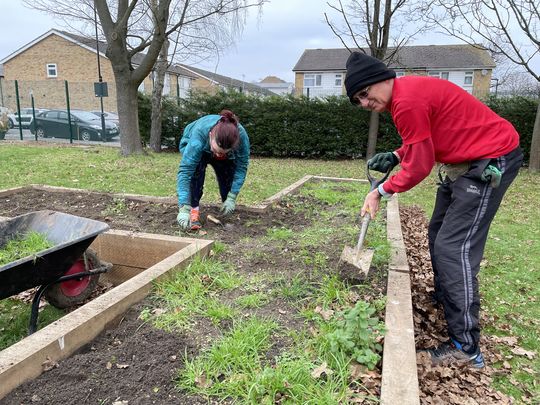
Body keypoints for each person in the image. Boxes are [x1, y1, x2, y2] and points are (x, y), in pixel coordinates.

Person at [344, 52, 523, 368]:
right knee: (438, 232)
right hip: (465, 161)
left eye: (363, 94)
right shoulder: (405, 96)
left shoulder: (406, 101)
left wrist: (381, 192)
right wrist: (398, 155)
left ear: (379, 80)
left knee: (454, 248)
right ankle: (449, 298)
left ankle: (466, 347)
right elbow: (424, 138)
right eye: (358, 100)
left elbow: (422, 166)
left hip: (491, 160)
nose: (364, 103)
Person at [176, 109, 250, 230]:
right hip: (196, 145)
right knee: (196, 176)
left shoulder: (241, 137)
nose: (217, 155)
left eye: (222, 153)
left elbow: (241, 166)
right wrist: (183, 206)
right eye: (216, 151)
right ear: (211, 136)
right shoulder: (198, 138)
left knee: (227, 177)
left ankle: (225, 212)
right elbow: (185, 171)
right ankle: (192, 212)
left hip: (219, 147)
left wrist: (232, 196)